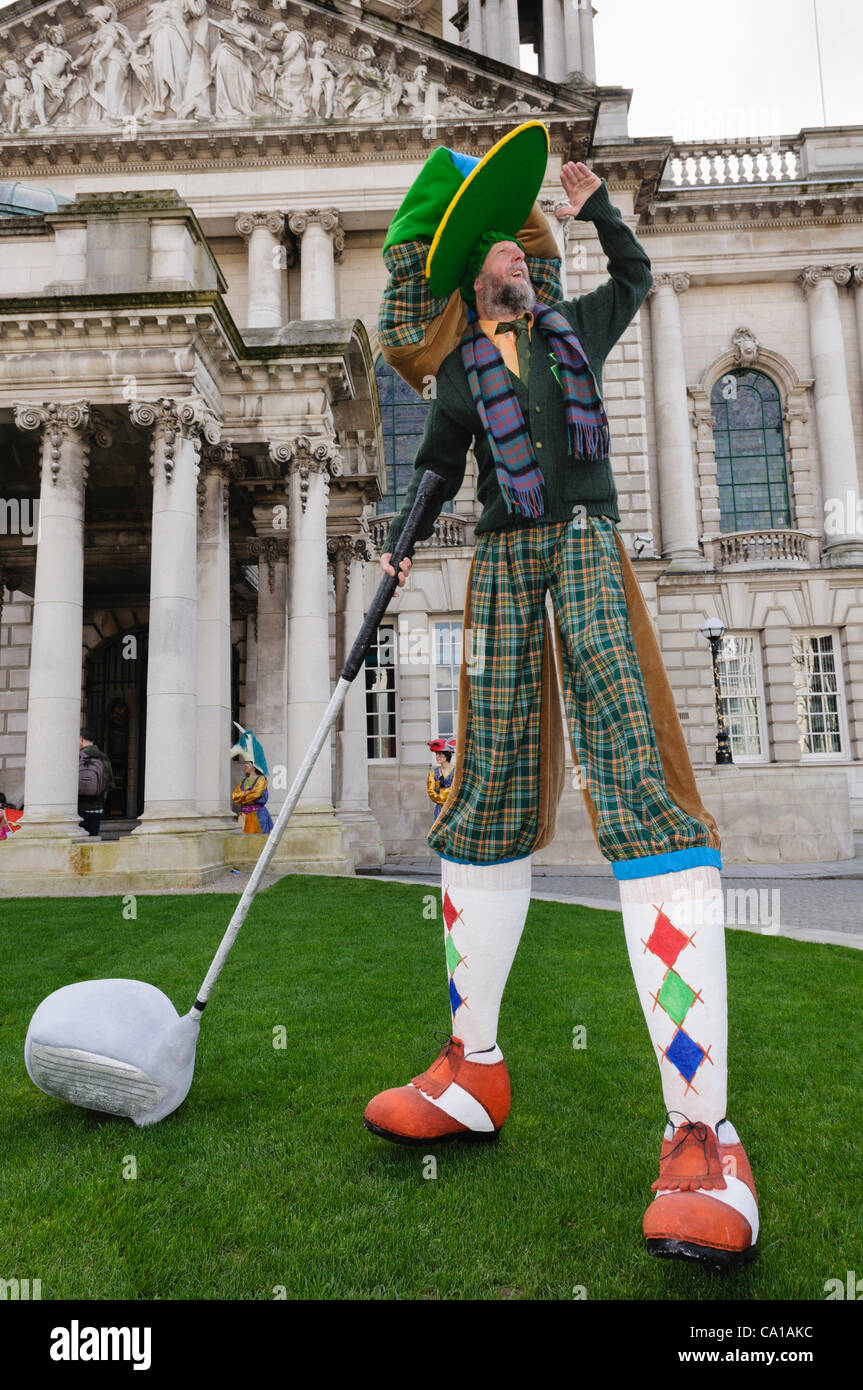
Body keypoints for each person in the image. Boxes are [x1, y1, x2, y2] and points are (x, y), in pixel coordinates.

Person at [362, 122, 759, 1270]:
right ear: (476, 267)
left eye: (531, 250)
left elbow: (635, 275)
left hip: (583, 549)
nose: (524, 264)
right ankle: (469, 1068)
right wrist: (396, 549)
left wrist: (596, 213)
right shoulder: (461, 373)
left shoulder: (574, 323)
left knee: (634, 776)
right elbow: (436, 467)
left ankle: (701, 1136)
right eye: (509, 255)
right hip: (498, 562)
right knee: (482, 796)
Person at [229, 724, 273, 834]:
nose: (245, 765)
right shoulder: (244, 781)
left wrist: (242, 796)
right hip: (244, 816)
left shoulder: (261, 779)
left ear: (254, 765)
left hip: (258, 816)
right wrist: (245, 794)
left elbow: (256, 794)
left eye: (247, 763)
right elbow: (235, 796)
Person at [78, 727, 114, 837]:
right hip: (96, 808)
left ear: (80, 739)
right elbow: (110, 785)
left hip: (78, 808)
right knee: (92, 840)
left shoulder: (77, 756)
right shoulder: (103, 757)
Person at [426, 738, 455, 822]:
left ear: (446, 755)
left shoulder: (456, 772)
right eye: (436, 754)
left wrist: (439, 790)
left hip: (453, 808)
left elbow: (456, 790)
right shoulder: (432, 773)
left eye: (439, 754)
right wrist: (448, 791)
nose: (437, 756)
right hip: (439, 810)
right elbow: (431, 792)